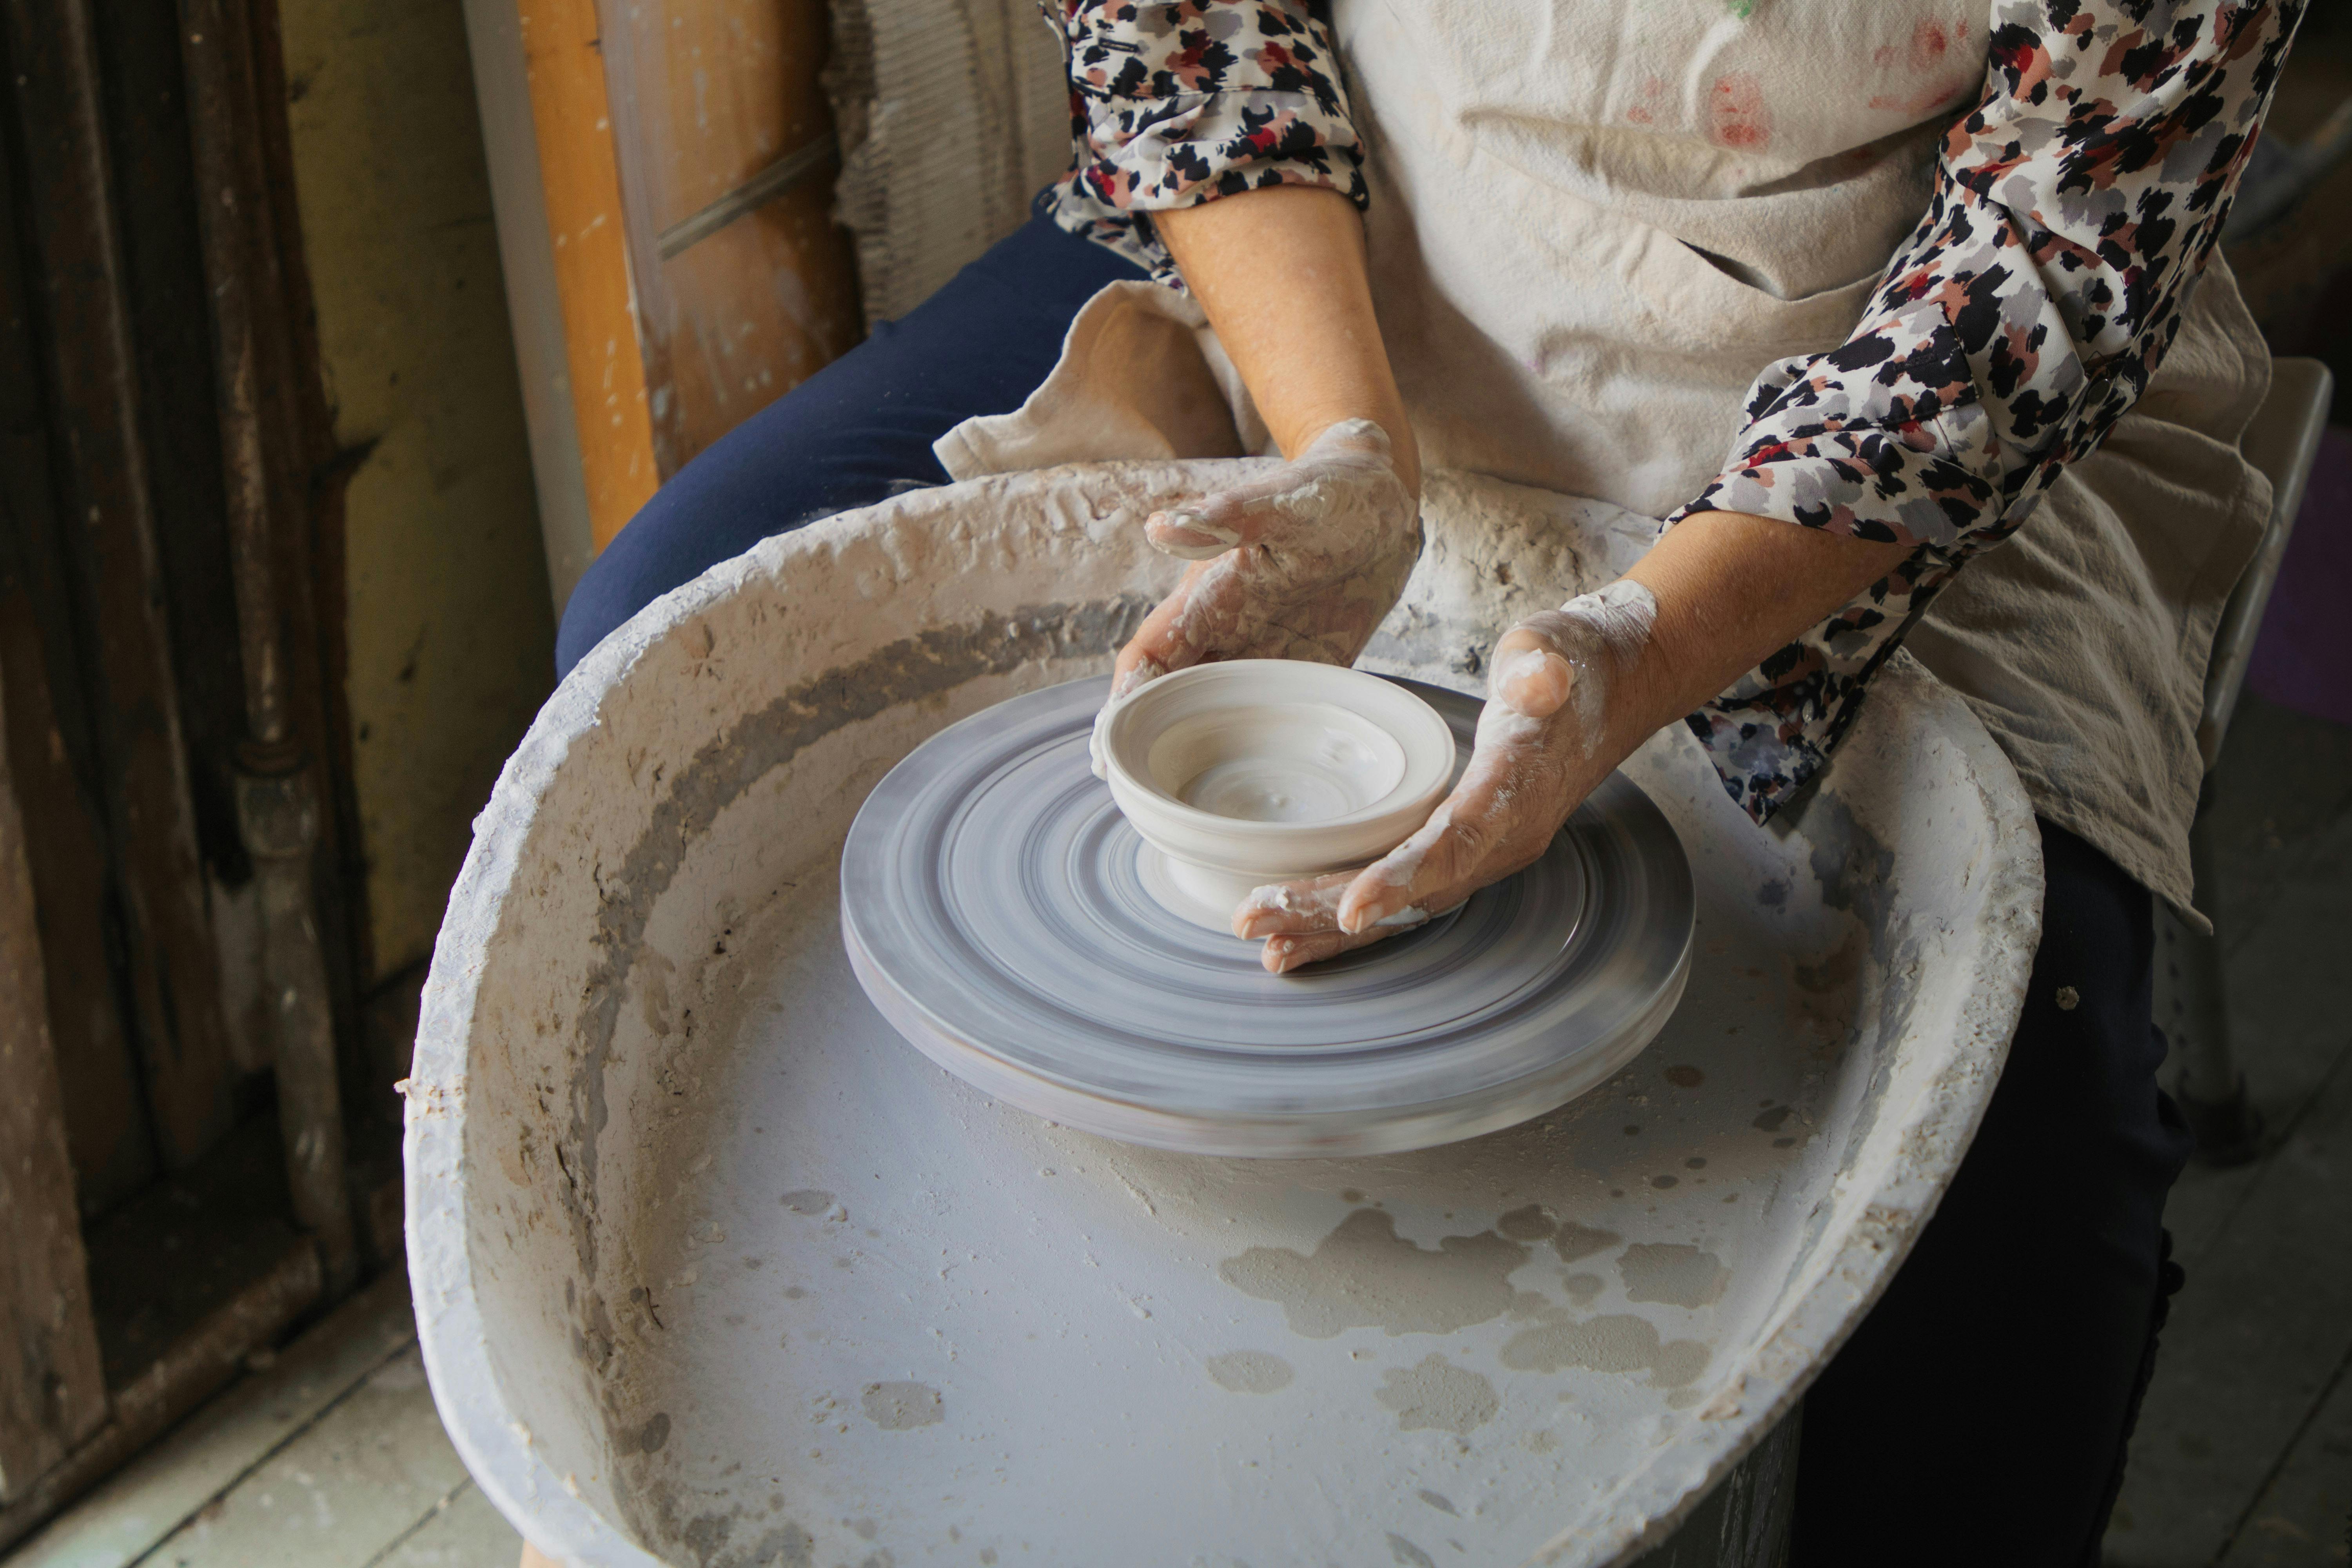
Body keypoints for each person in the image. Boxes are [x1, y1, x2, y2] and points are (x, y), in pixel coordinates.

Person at [538, 1, 2307, 1560]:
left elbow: (2051, 252)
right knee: (659, 636)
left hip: (1903, 339)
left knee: (2008, 1166)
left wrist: (1642, 648)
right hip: (1346, 217)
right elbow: (1189, 18)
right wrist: (1342, 447)